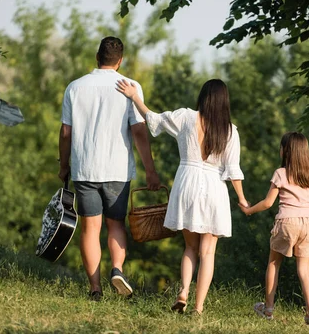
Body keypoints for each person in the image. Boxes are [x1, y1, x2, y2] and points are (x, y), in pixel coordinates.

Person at [116, 78, 248, 314]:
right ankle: (198, 308)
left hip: (186, 181)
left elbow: (153, 119)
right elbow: (233, 170)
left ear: (203, 97)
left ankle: (183, 292)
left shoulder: (187, 117)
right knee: (208, 252)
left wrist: (135, 96)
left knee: (190, 247)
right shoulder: (230, 131)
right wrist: (242, 198)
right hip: (214, 188)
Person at [59, 36, 160, 301]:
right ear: (120, 60)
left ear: (97, 57)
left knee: (90, 229)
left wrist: (63, 166)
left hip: (84, 169)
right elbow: (138, 131)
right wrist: (150, 170)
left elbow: (66, 132)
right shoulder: (129, 86)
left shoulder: (75, 87)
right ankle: (117, 269)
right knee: (116, 225)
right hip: (117, 169)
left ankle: (95, 288)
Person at [239, 132, 309, 326]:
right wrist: (305, 209)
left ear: (286, 151)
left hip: (287, 222)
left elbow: (268, 203)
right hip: (308, 223)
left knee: (273, 264)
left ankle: (268, 309)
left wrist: (249, 210)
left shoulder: (281, 173)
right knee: (304, 271)